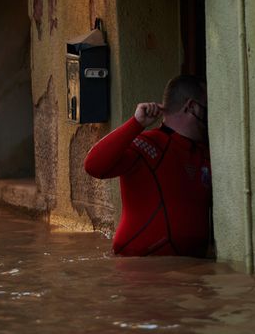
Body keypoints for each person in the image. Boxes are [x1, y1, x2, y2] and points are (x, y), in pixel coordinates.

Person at [84, 75, 212, 257]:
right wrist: (136, 124)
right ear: (192, 107)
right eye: (209, 106)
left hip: (191, 271)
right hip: (140, 269)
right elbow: (93, 166)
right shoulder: (148, 145)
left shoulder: (205, 154)